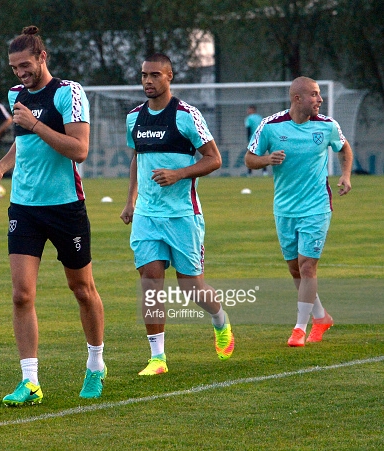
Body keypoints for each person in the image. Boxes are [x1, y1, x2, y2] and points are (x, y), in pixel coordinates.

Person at [0, 26, 106, 404]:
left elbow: (78, 149)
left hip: (66, 206)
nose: (20, 74)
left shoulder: (69, 93)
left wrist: (35, 123)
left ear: (42, 57)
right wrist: (1, 167)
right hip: (24, 207)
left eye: (25, 65)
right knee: (21, 295)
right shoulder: (16, 95)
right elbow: (25, 144)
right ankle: (30, 381)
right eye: (14, 68)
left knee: (82, 290)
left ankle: (96, 365)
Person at [120, 53, 235, 376]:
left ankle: (219, 320)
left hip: (183, 215)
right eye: (144, 75)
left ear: (169, 77)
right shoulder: (134, 118)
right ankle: (158, 358)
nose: (148, 81)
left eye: (155, 75)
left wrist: (179, 173)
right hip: (146, 215)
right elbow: (136, 158)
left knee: (191, 286)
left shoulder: (186, 115)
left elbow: (214, 159)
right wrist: (131, 200)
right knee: (151, 279)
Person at [245, 76, 353, 347]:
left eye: (319, 94)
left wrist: (346, 175)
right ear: (297, 99)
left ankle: (298, 329)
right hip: (284, 208)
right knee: (295, 270)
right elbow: (249, 158)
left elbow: (344, 148)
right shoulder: (270, 126)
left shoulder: (327, 126)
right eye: (314, 95)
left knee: (307, 267)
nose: (320, 99)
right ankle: (321, 317)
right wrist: (267, 159)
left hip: (316, 207)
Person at [244, 105, 267, 176]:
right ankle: (265, 172)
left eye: (249, 109)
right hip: (261, 138)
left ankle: (249, 173)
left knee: (250, 155)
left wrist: (248, 139)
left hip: (253, 138)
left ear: (253, 110)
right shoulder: (260, 117)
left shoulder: (249, 118)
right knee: (261, 154)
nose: (247, 111)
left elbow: (248, 128)